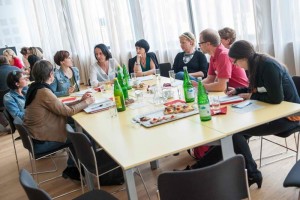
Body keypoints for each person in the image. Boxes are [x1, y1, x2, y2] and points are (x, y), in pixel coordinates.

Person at [227, 40, 300, 188]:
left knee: (235, 135)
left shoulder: (268, 65)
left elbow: (276, 98)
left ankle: (253, 174)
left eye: (234, 62)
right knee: (228, 135)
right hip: (271, 113)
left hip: (289, 117)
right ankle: (199, 169)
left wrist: (250, 97)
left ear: (243, 58)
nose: (235, 65)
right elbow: (257, 89)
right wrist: (239, 91)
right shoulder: (255, 64)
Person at [24, 60, 95, 181]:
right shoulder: (44, 92)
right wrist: (86, 102)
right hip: (42, 140)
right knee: (80, 136)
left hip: (37, 134)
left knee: (76, 127)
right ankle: (83, 168)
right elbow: (68, 111)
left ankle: (74, 166)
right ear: (51, 74)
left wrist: (81, 101)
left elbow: (61, 107)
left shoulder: (35, 87)